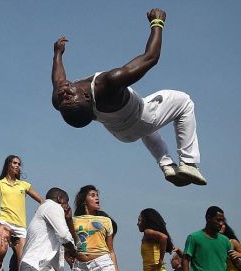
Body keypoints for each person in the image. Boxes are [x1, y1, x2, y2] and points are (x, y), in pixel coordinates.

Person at [51, 8, 206, 187]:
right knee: (184, 102)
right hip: (144, 116)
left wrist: (57, 54)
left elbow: (58, 79)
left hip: (123, 134)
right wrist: (157, 23)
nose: (64, 92)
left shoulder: (61, 100)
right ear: (86, 97)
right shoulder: (108, 83)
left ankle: (166, 165)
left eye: (62, 97)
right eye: (69, 95)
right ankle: (189, 163)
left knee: (147, 131)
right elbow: (150, 58)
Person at [0, 155, 43, 271]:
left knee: (24, 262)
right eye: (14, 163)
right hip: (4, 222)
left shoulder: (24, 185)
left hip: (21, 226)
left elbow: (41, 199)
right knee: (1, 252)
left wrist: (43, 207)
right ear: (8, 164)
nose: (17, 166)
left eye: (19, 164)